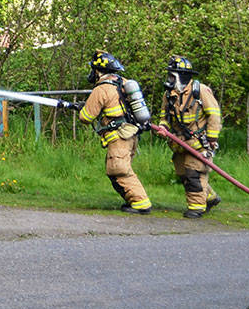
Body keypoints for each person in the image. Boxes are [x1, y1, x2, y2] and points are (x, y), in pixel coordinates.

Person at [78, 51, 152, 214]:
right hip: (130, 135)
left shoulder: (101, 89)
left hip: (119, 137)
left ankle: (141, 203)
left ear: (98, 71)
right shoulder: (123, 83)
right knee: (119, 170)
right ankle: (135, 201)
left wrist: (82, 109)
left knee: (118, 170)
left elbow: (86, 117)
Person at [161, 55, 222, 219]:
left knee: (194, 173)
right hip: (180, 143)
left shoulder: (200, 91)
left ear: (182, 76)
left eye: (172, 76)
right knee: (183, 172)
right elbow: (164, 116)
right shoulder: (169, 94)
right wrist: (162, 127)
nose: (169, 79)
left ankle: (197, 208)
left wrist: (212, 139)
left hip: (199, 143)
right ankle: (209, 197)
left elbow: (214, 115)